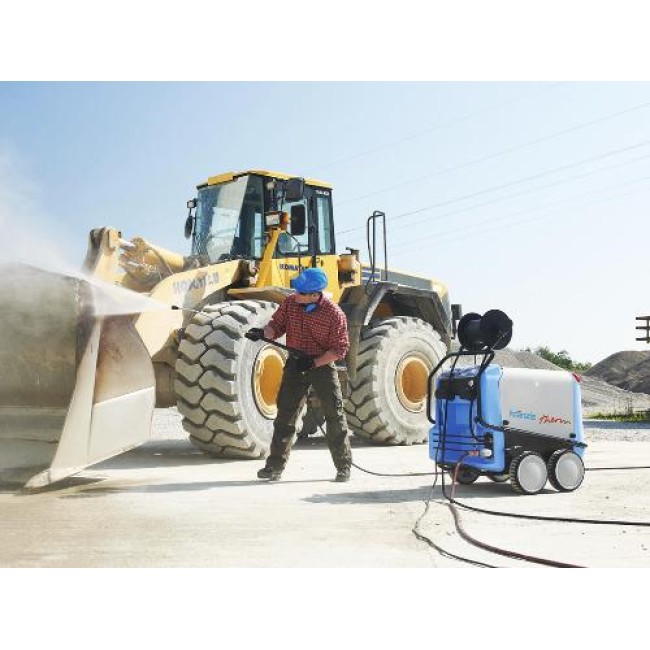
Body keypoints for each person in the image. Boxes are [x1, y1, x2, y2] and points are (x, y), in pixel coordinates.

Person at [245, 267, 353, 482]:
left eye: (301, 292)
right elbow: (276, 326)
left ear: (314, 295)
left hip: (322, 365)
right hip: (295, 365)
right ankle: (274, 467)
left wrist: (314, 362)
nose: (295, 294)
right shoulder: (290, 303)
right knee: (285, 416)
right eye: (296, 290)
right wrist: (262, 333)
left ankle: (343, 467)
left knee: (334, 415)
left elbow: (339, 349)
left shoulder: (334, 314)